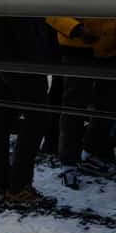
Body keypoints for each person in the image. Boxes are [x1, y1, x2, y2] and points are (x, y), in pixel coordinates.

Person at [0, 16, 56, 207]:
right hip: (23, 43)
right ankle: (18, 186)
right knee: (37, 114)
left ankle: (1, 184)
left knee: (2, 114)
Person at [45, 16, 116, 188]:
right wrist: (76, 29)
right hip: (78, 46)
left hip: (110, 46)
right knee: (74, 106)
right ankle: (69, 161)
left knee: (108, 105)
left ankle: (92, 152)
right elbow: (53, 9)